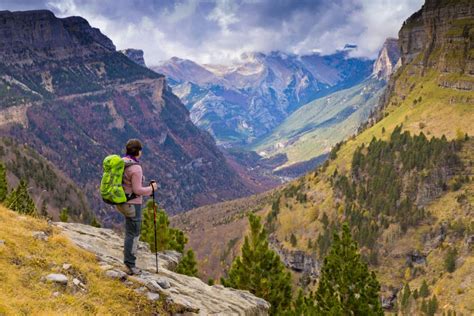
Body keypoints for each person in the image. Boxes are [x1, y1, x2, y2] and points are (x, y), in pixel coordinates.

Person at [118, 139, 157, 275]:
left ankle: (128, 261)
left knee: (129, 232)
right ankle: (130, 264)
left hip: (122, 202)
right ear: (138, 152)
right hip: (133, 204)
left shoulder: (122, 162)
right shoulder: (136, 168)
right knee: (133, 234)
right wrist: (151, 189)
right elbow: (137, 190)